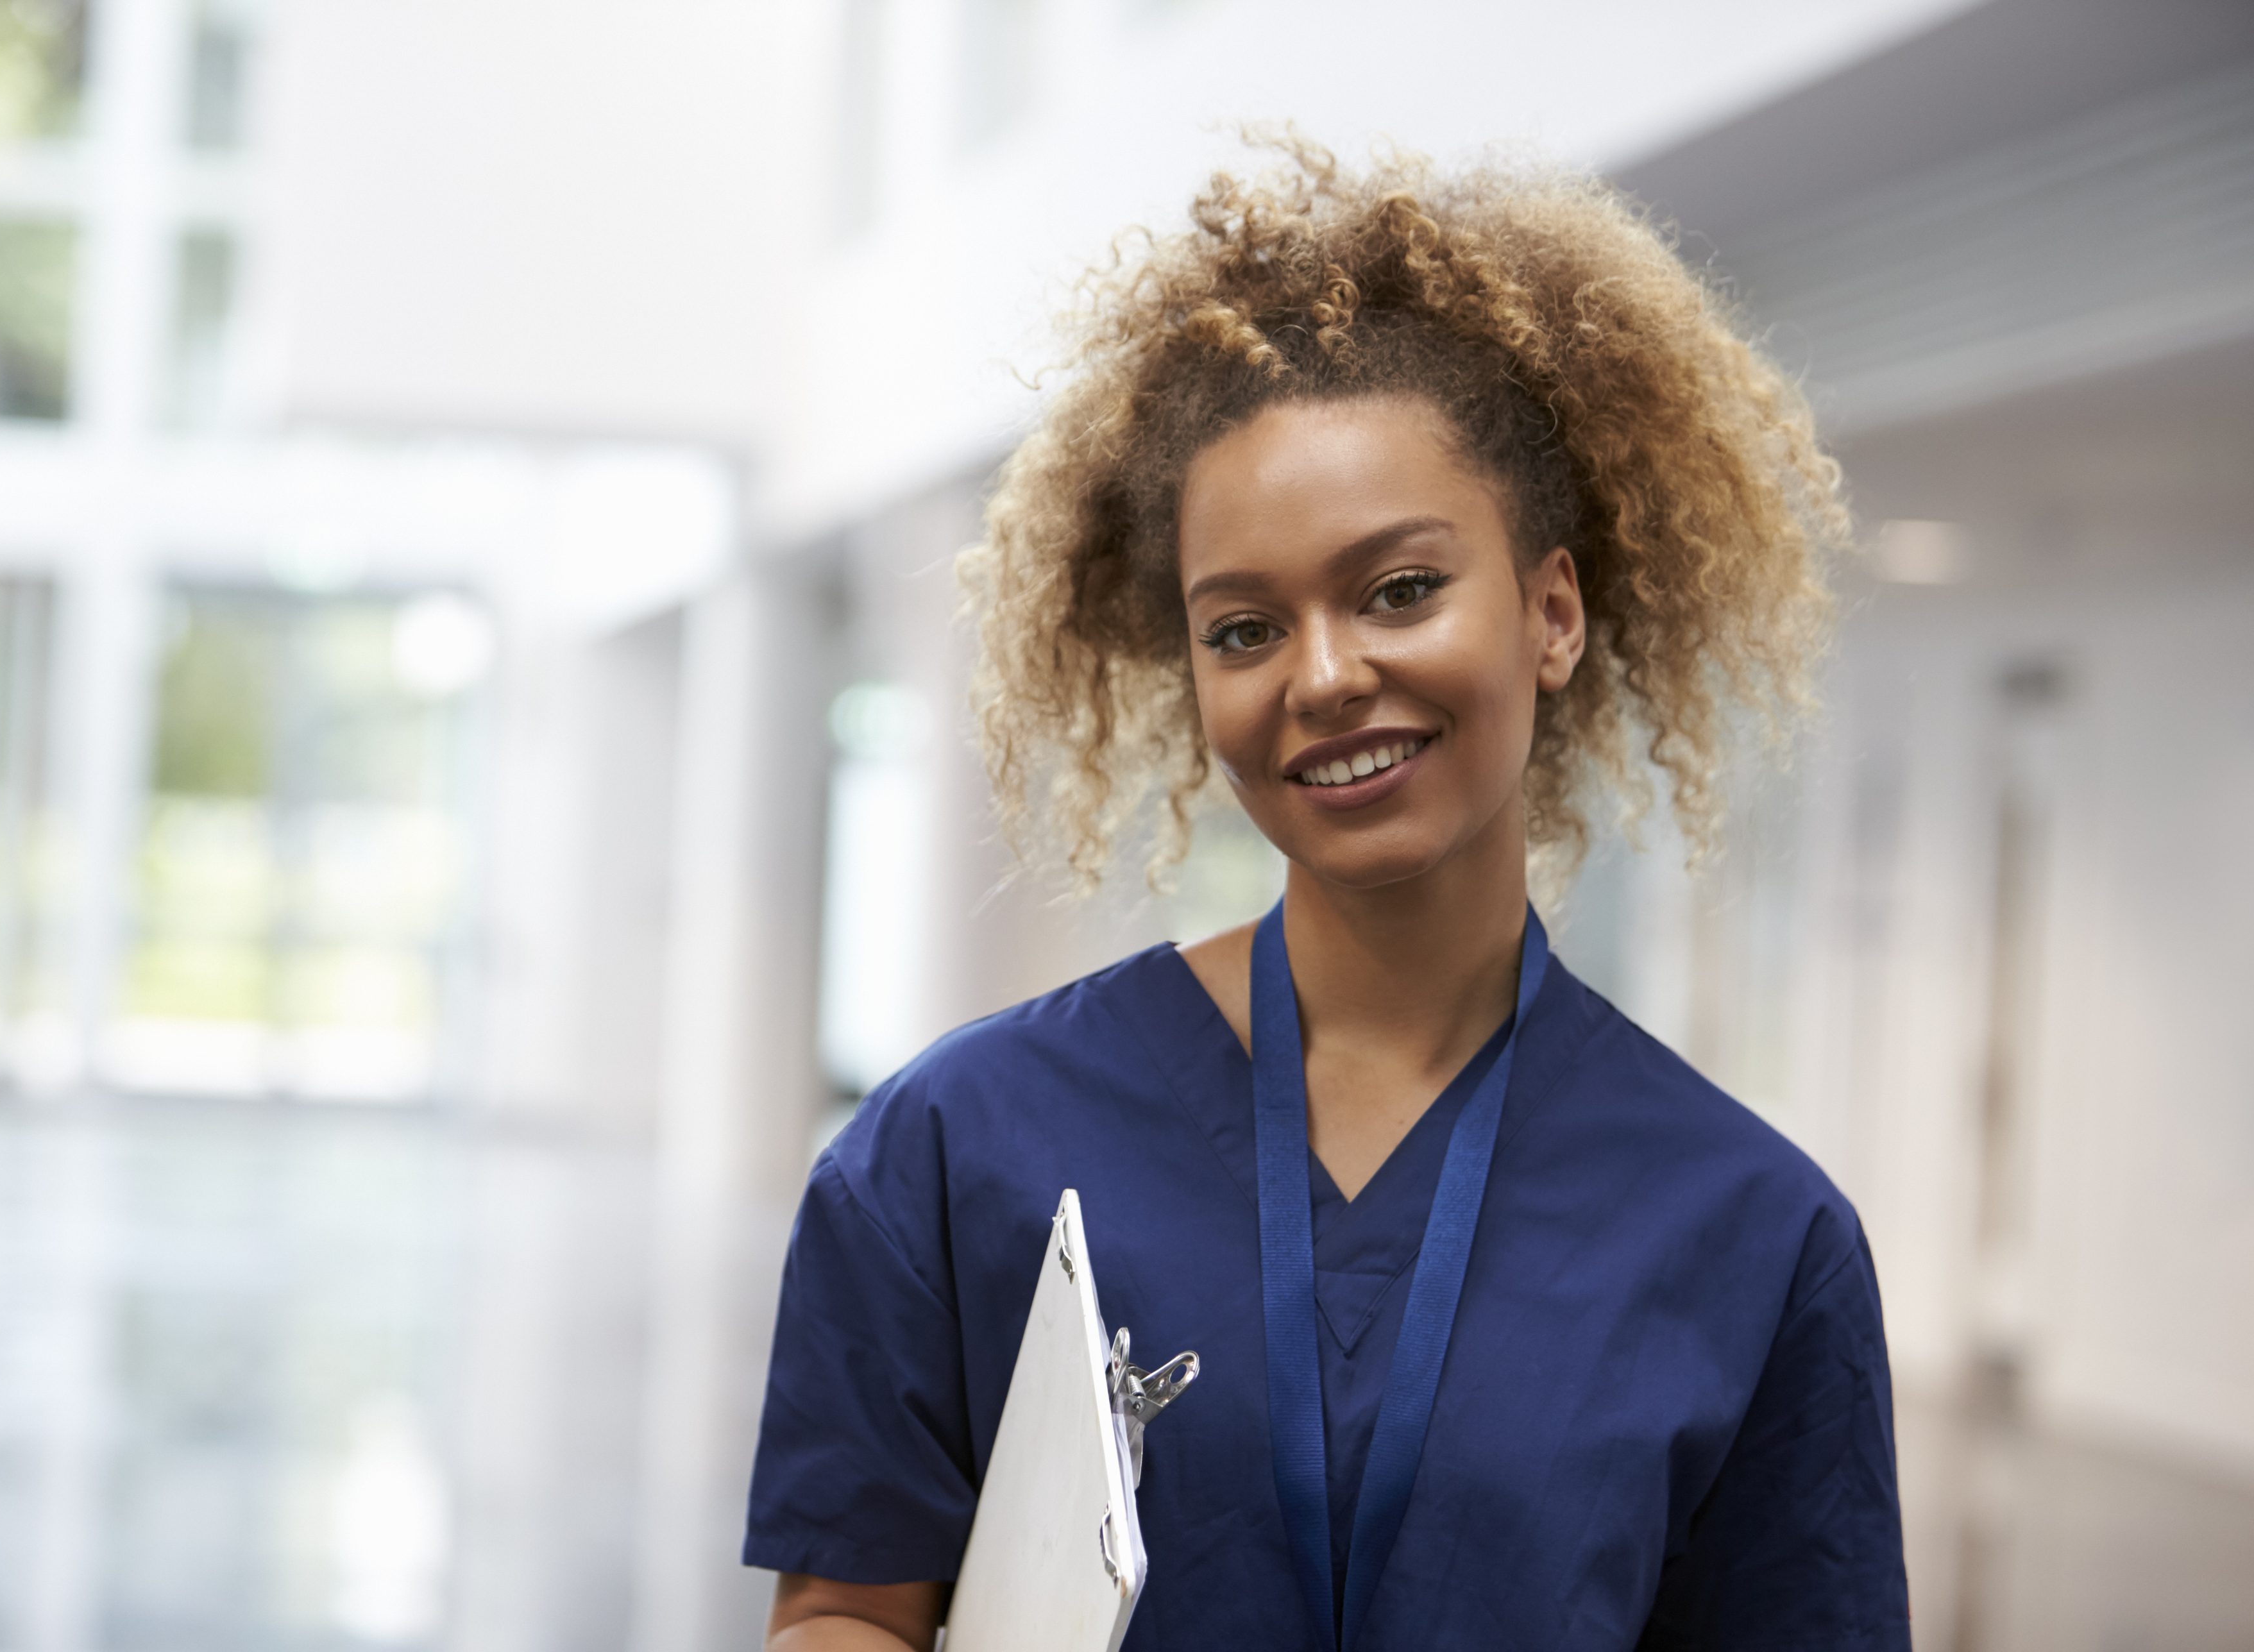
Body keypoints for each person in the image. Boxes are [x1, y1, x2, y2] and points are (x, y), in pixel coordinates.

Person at [746, 140, 1910, 1651]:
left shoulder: (1752, 1236)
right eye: (1242, 627)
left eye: (1400, 589)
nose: (1324, 674)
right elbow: (847, 1609)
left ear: (1553, 610)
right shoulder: (959, 1148)